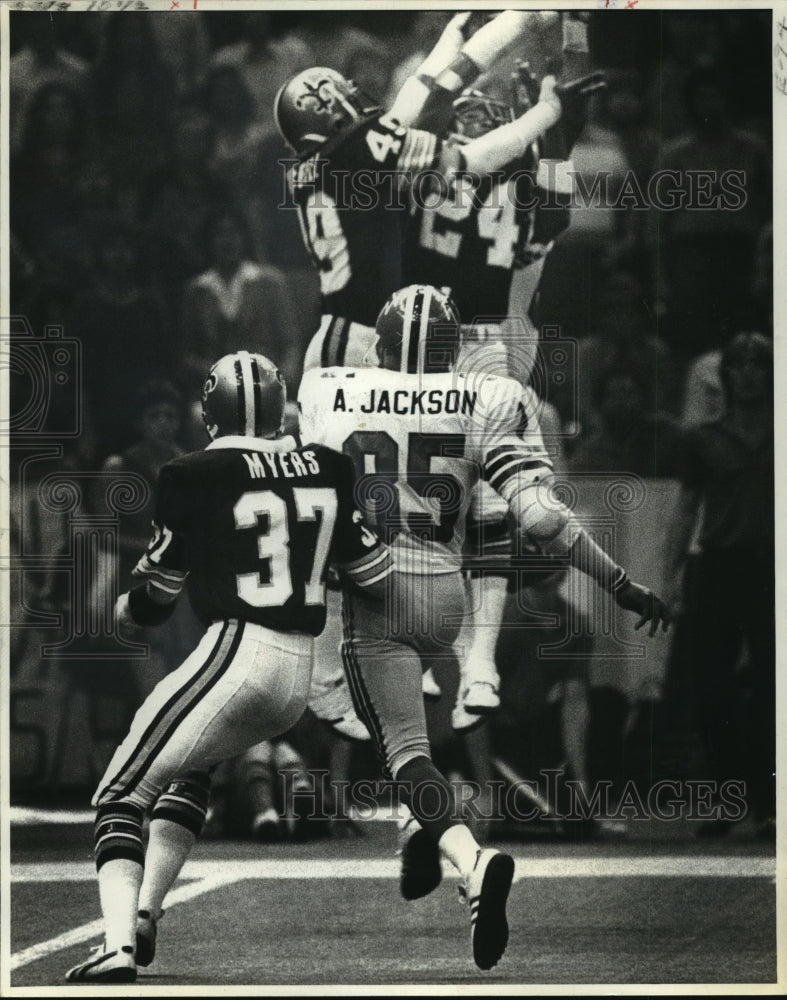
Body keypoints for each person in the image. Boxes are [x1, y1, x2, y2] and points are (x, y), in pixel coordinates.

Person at [298, 285, 670, 969]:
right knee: (410, 739)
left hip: (373, 588)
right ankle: (429, 837)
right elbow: (542, 521)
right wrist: (621, 583)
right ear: (455, 349)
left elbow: (308, 503)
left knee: (404, 751)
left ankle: (467, 859)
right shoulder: (486, 396)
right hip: (447, 594)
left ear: (377, 346)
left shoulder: (331, 387)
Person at [64, 351, 394, 983]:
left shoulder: (192, 472)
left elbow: (155, 603)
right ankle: (143, 917)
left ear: (209, 414)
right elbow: (374, 578)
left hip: (238, 650)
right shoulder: (325, 464)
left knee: (118, 793)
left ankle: (117, 946)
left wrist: (125, 607)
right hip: (295, 676)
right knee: (188, 774)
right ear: (279, 406)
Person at [275, 11, 565, 371]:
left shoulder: (317, 165)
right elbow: (467, 160)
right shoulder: (359, 147)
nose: (355, 92)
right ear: (330, 113)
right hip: (369, 340)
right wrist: (546, 112)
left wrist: (452, 34)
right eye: (344, 92)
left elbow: (417, 92)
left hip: (336, 334)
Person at [662, 331, 774, 837]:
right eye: (740, 364)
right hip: (720, 567)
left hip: (774, 569)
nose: (749, 373)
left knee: (776, 686)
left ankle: (771, 802)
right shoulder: (702, 437)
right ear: (724, 374)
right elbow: (686, 509)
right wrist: (670, 578)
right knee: (713, 687)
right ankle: (729, 800)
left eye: (759, 363)